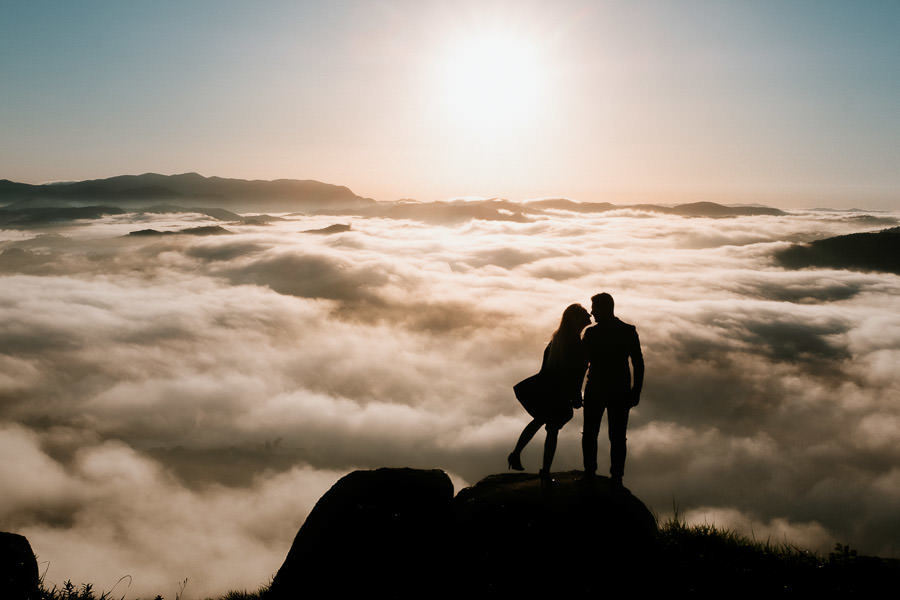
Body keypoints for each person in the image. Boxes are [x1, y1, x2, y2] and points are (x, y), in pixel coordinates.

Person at [508, 303, 591, 482]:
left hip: (548, 387)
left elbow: (549, 369)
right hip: (557, 390)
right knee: (551, 428)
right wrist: (575, 395)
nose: (589, 314)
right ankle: (544, 471)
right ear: (576, 319)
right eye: (585, 313)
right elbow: (574, 373)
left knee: (542, 421)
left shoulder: (559, 339)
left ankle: (518, 455)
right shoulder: (573, 341)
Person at [581, 292, 644, 487]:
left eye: (594, 308)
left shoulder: (592, 333)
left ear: (604, 309)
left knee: (590, 433)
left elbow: (581, 364)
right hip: (620, 389)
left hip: (596, 389)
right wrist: (636, 391)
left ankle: (590, 473)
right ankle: (616, 477)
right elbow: (638, 363)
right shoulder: (627, 330)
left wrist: (576, 390)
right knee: (617, 436)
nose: (592, 312)